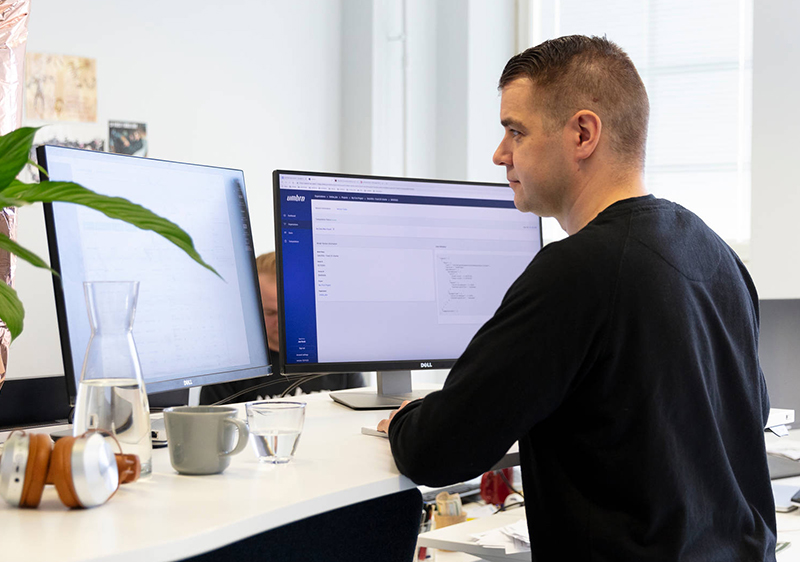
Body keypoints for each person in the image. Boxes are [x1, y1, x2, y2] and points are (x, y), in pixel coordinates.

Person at [378, 35, 776, 560]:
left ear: (583, 134)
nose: (500, 154)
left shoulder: (576, 270)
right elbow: (750, 410)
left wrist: (406, 418)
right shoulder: (713, 250)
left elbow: (437, 451)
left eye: (515, 131)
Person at [199, 252, 364, 404]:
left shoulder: (337, 357)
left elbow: (361, 418)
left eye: (291, 311)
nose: (282, 322)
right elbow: (211, 425)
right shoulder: (230, 367)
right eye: (271, 312)